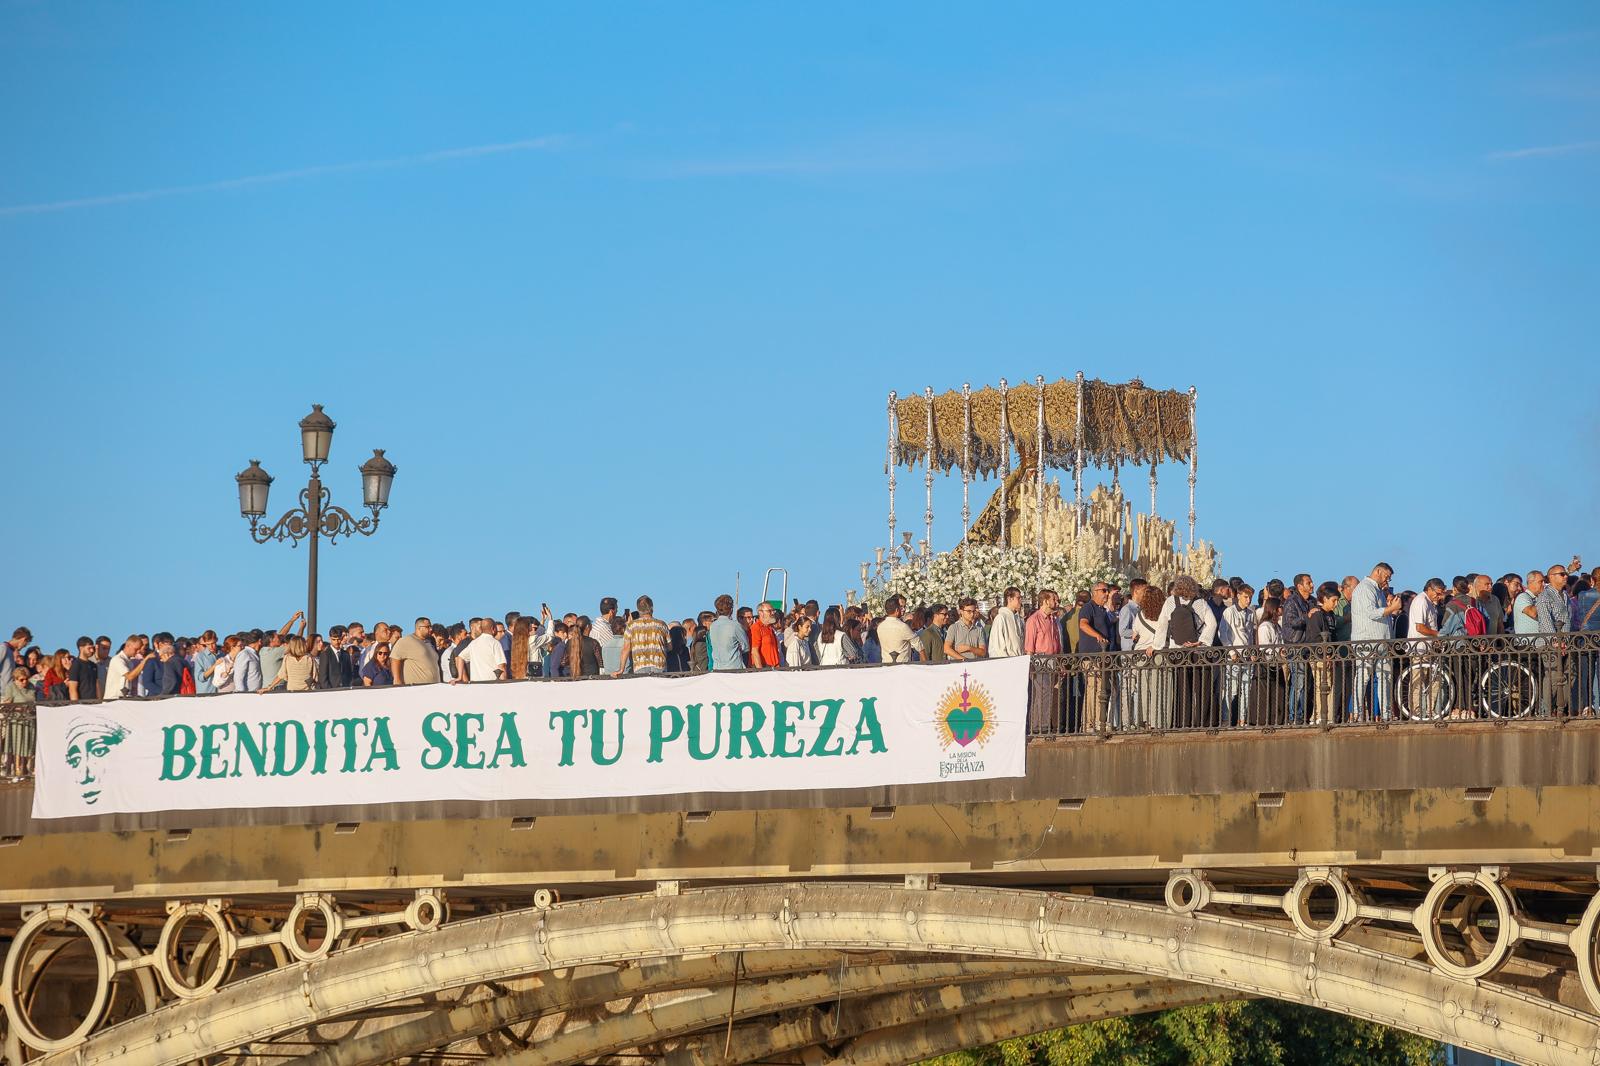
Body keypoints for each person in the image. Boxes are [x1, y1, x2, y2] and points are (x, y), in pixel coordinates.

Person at [1151, 575, 1216, 728]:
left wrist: (1156, 646)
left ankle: (1182, 722)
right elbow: (1212, 624)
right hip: (1197, 651)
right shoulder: (1201, 603)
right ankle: (1201, 722)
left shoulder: (1170, 602)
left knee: (1182, 688)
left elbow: (1162, 625)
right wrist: (1202, 642)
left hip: (1177, 650)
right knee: (1200, 687)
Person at [1350, 563, 1403, 720]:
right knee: (1363, 676)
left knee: (1384, 677)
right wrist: (1391, 608)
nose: (1388, 581)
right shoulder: (1364, 588)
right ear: (1378, 572)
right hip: (1366, 641)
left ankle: (1386, 714)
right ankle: (1358, 714)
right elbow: (1371, 613)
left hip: (1381, 642)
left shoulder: (1378, 591)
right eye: (1386, 577)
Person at [1076, 582, 1116, 731]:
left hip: (1102, 657)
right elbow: (1083, 624)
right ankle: (1088, 723)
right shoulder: (1088, 607)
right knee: (1092, 689)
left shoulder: (1102, 610)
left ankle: (1100, 721)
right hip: (1091, 657)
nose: (1106, 593)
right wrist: (1098, 636)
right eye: (1104, 590)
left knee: (1101, 690)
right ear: (1095, 592)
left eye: (1107, 591)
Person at [1252, 596, 1287, 724]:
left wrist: (1282, 651)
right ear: (1274, 609)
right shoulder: (1265, 626)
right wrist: (1278, 652)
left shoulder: (1276, 626)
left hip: (1276, 664)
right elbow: (1265, 647)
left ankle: (1278, 720)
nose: (1282, 609)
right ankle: (1266, 721)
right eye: (1280, 607)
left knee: (1279, 692)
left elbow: (1280, 643)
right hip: (1266, 665)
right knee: (1266, 695)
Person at [616, 595, 671, 676]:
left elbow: (626, 649)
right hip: (659, 665)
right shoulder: (661, 625)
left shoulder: (631, 626)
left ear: (638, 609)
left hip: (640, 665)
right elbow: (670, 647)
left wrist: (621, 669)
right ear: (651, 607)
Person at [453, 617, 507, 683]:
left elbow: (460, 657)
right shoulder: (495, 643)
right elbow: (501, 666)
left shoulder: (473, 643)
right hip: (492, 684)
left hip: (476, 685)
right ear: (493, 628)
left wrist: (459, 677)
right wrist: (504, 683)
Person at [391, 618, 441, 685]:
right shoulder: (406, 640)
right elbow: (395, 658)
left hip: (434, 688)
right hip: (416, 689)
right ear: (419, 628)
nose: (431, 629)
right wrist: (397, 679)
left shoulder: (429, 643)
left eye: (430, 626)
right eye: (428, 627)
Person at [102, 635, 148, 701]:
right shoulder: (117, 659)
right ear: (127, 645)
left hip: (124, 700)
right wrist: (145, 661)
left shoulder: (130, 663)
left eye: (139, 649)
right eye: (136, 649)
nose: (138, 652)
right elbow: (129, 676)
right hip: (112, 701)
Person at [875, 596, 917, 664]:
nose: (903, 609)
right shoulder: (882, 626)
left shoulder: (903, 625)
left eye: (904, 606)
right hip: (898, 667)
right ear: (896, 608)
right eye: (901, 607)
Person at [989, 588, 1025, 657]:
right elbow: (998, 645)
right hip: (1005, 662)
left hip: (1018, 660)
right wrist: (1007, 661)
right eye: (1018, 598)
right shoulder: (1001, 618)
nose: (1021, 601)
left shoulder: (1018, 619)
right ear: (1009, 599)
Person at [748, 602, 782, 669]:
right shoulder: (756, 628)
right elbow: (754, 651)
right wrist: (761, 672)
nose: (772, 613)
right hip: (765, 669)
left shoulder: (770, 628)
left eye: (773, 611)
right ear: (761, 613)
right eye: (769, 611)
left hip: (774, 668)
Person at [67, 637, 99, 701]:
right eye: (89, 648)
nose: (92, 650)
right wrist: (76, 706)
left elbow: (97, 686)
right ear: (81, 648)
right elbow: (72, 689)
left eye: (92, 648)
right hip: (82, 705)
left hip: (95, 704)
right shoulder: (76, 665)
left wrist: (99, 701)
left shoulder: (93, 665)